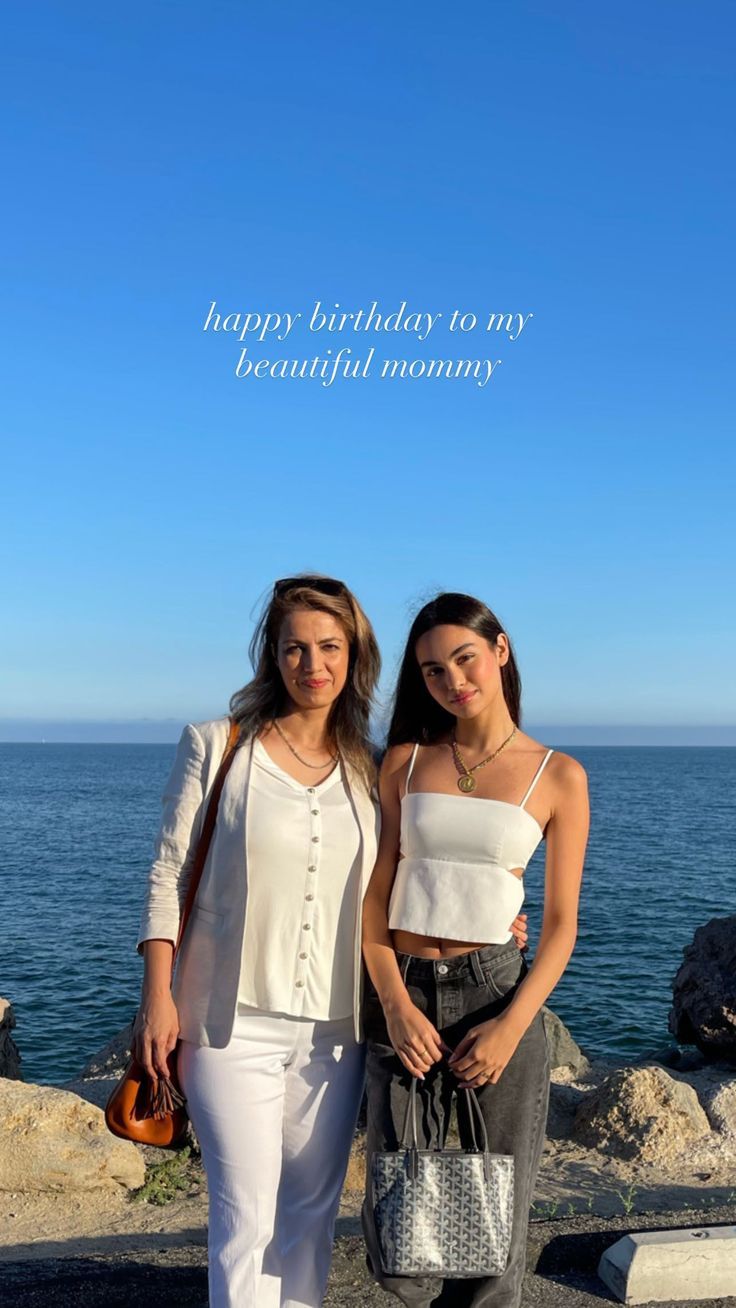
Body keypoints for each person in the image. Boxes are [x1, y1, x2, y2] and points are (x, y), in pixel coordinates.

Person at [132, 575, 382, 1308]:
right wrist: (157, 998)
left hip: (338, 1030)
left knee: (310, 1216)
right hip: (227, 1025)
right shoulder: (217, 746)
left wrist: (500, 923)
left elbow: (404, 884)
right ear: (271, 656)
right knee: (245, 1217)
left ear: (353, 655)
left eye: (329, 647)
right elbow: (168, 873)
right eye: (295, 648)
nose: (313, 665)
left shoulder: (371, 767)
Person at [361, 592, 589, 1308]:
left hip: (495, 992)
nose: (452, 680)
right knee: (402, 1223)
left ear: (500, 650)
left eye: (464, 658)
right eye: (432, 671)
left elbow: (558, 926)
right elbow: (372, 897)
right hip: (403, 991)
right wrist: (393, 1006)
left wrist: (513, 1025)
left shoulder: (558, 774)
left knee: (495, 1220)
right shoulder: (403, 760)